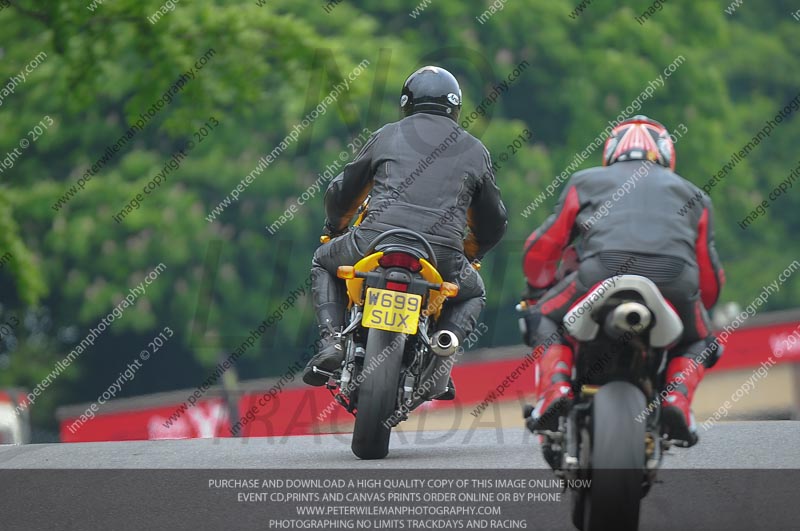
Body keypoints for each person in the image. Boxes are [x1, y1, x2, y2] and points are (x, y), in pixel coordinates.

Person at [520, 115, 724, 446]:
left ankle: (556, 388)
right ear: (667, 154)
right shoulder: (697, 197)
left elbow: (541, 251)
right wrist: (700, 307)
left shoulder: (584, 181)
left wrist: (538, 284)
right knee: (700, 341)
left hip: (600, 273)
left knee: (542, 316)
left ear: (611, 152)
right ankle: (677, 401)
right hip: (675, 283)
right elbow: (711, 280)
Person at [302, 65, 508, 389]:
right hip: (441, 252)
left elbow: (343, 193)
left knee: (322, 260)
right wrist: (470, 252)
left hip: (373, 240)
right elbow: (493, 221)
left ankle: (332, 343)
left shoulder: (386, 135)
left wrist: (336, 227)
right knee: (474, 291)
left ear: (406, 102)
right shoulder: (475, 151)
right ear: (455, 108)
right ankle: (442, 355)